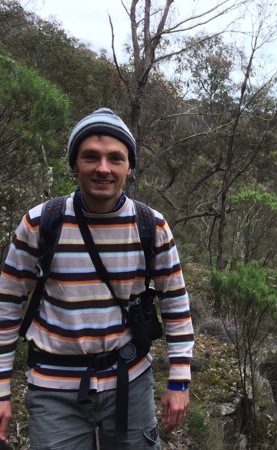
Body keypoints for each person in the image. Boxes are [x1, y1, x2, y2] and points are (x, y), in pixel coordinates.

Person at [0, 108, 195, 448]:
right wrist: (1, 388)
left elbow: (175, 303)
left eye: (115, 158)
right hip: (54, 389)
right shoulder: (40, 224)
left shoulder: (151, 226)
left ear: (128, 166)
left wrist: (179, 380)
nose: (103, 168)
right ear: (75, 163)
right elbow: (6, 306)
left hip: (130, 383)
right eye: (91, 156)